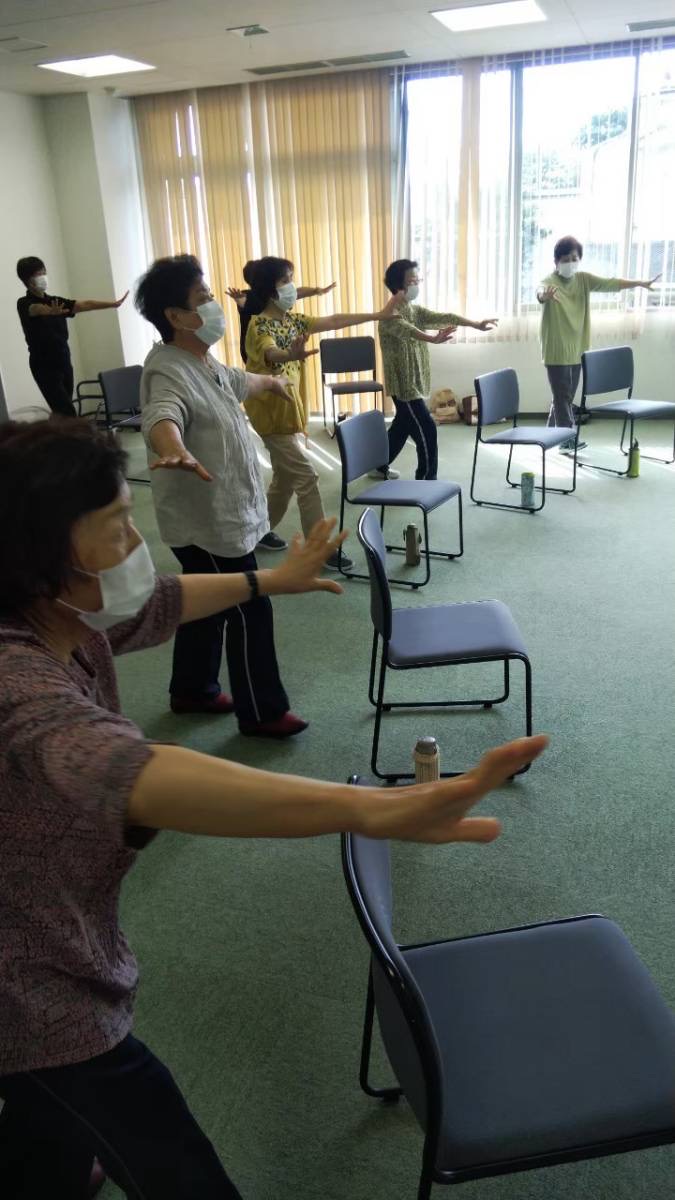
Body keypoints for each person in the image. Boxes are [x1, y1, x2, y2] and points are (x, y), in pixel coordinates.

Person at [0, 415, 547, 1200]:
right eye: (118, 524)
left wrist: (267, 581)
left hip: (54, 919)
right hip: (26, 983)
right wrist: (364, 810)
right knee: (154, 1141)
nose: (137, 541)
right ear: (39, 556)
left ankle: (42, 1168)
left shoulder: (55, 617)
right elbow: (128, 769)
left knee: (44, 1113)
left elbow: (156, 602)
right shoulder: (15, 679)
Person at [136, 253, 313, 738]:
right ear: (176, 316)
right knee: (249, 603)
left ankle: (192, 690)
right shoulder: (167, 369)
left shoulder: (202, 360)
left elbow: (238, 381)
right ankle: (262, 712)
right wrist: (172, 447)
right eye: (204, 297)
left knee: (205, 602)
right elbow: (162, 414)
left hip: (221, 515)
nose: (215, 304)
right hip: (206, 522)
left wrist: (272, 381)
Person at [244, 256, 403, 564]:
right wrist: (288, 354)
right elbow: (269, 351)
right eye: (285, 280)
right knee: (306, 477)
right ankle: (320, 549)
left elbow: (333, 320)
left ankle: (259, 531)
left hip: (289, 412)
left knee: (285, 479)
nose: (292, 286)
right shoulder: (258, 324)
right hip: (270, 416)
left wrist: (378, 315)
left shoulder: (292, 320)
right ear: (270, 290)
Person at [537, 235, 660, 455]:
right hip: (556, 349)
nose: (570, 263)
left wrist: (640, 283)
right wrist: (544, 296)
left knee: (564, 397)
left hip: (577, 348)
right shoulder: (549, 281)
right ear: (556, 261)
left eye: (574, 258)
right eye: (565, 259)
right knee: (562, 396)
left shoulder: (583, 279)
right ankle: (566, 440)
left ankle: (548, 436)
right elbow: (540, 292)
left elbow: (611, 283)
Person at [378, 259, 498, 480]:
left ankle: (378, 464)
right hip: (404, 388)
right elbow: (408, 330)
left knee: (402, 426)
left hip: (415, 381)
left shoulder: (413, 310)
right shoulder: (389, 315)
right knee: (426, 429)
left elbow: (445, 318)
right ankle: (426, 479)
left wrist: (475, 324)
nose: (417, 284)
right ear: (398, 285)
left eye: (418, 279)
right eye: (412, 280)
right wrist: (431, 338)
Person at [16, 255, 129, 418]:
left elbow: (84, 304)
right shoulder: (23, 303)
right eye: (38, 274)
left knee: (62, 410)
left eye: (44, 272)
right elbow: (35, 309)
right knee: (67, 411)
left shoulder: (55, 301)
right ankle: (71, 433)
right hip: (43, 364)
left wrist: (113, 304)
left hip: (63, 359)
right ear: (27, 280)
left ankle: (54, 433)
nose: (43, 277)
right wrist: (49, 311)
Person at [226, 260, 336, 365]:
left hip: (281, 347)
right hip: (257, 350)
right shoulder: (252, 298)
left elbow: (297, 292)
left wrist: (316, 291)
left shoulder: (277, 295)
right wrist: (239, 299)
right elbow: (244, 302)